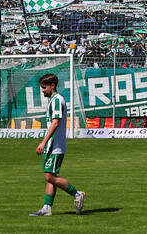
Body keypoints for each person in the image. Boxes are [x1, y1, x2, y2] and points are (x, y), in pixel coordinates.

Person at [30, 73, 85, 217]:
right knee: (50, 175)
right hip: (52, 145)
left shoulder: (56, 100)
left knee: (49, 176)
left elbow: (55, 122)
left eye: (44, 87)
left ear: (52, 86)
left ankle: (77, 194)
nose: (42, 90)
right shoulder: (54, 100)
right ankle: (47, 207)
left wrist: (43, 142)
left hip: (55, 145)